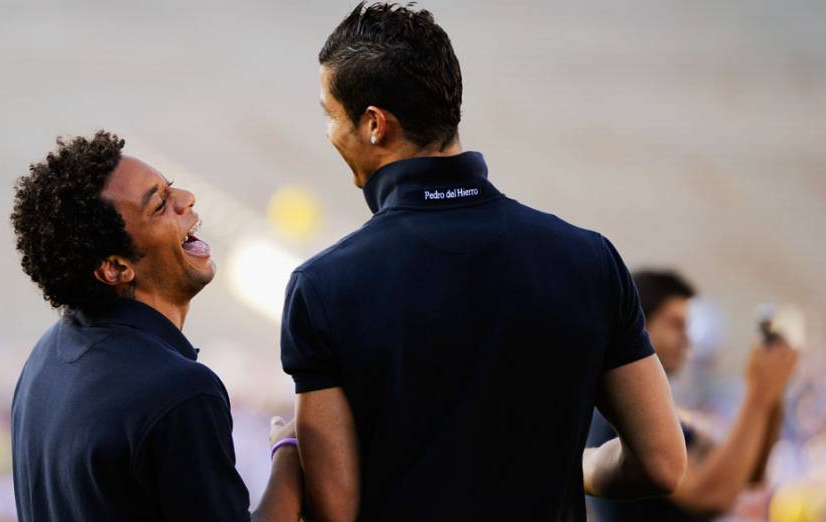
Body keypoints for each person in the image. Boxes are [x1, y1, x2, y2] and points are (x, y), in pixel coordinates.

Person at [278, 3, 687, 521]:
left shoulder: (322, 286)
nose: (329, 132)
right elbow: (663, 464)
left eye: (329, 114)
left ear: (375, 125)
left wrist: (284, 449)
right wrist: (567, 465)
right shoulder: (588, 259)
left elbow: (337, 510)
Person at [9, 132, 302, 521]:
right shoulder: (179, 392)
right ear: (116, 268)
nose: (187, 200)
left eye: (172, 187)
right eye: (161, 204)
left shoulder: (46, 357)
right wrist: (290, 454)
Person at [587, 270, 798, 521]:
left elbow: (748, 473)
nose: (688, 339)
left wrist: (774, 389)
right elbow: (711, 496)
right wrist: (760, 392)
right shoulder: (621, 411)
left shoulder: (664, 415)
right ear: (638, 326)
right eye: (676, 324)